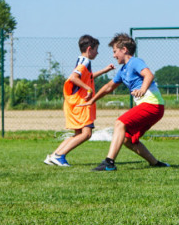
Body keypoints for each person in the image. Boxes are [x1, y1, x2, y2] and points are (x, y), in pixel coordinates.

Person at [80, 33, 169, 171]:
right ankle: (155, 163)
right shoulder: (122, 70)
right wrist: (92, 100)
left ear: (124, 50)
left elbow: (149, 75)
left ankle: (109, 163)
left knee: (120, 123)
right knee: (128, 139)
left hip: (153, 105)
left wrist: (143, 89)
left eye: (115, 51)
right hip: (151, 107)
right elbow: (108, 87)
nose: (114, 55)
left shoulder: (135, 62)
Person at [44, 35, 114, 166]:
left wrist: (105, 70)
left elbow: (88, 77)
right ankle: (59, 156)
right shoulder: (85, 62)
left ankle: (54, 155)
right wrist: (88, 89)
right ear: (89, 49)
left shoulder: (81, 60)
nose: (97, 52)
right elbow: (73, 77)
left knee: (78, 133)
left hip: (75, 103)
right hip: (81, 103)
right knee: (86, 133)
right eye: (96, 49)